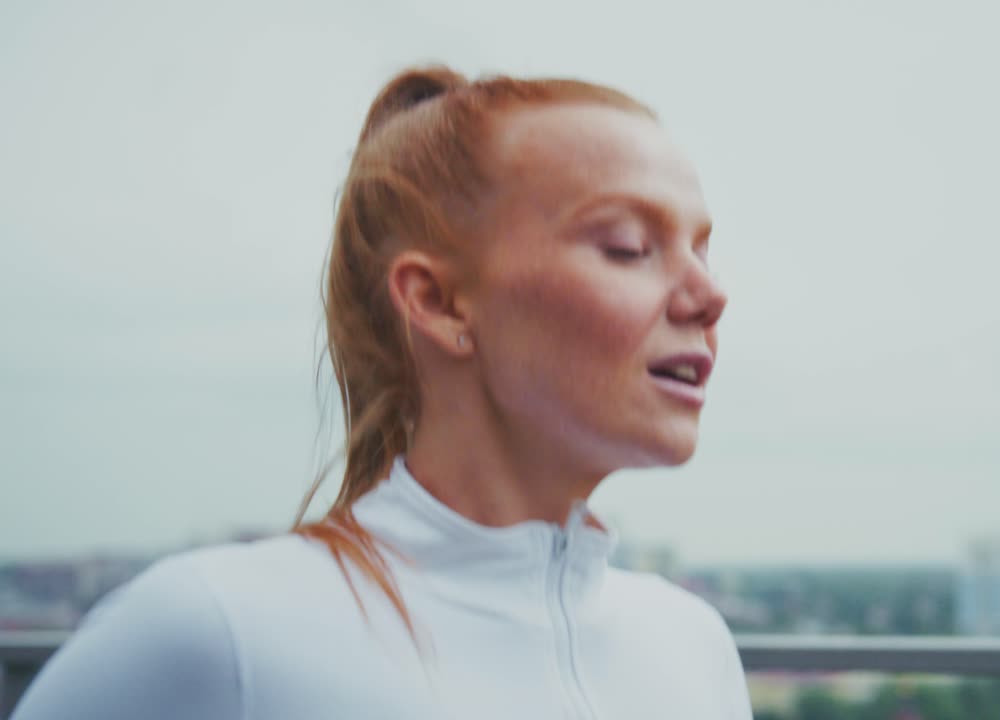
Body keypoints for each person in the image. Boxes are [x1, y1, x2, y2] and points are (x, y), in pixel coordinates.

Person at [12, 64, 747, 719]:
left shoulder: (692, 649)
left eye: (701, 250)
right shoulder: (217, 634)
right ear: (438, 303)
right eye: (628, 247)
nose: (709, 295)